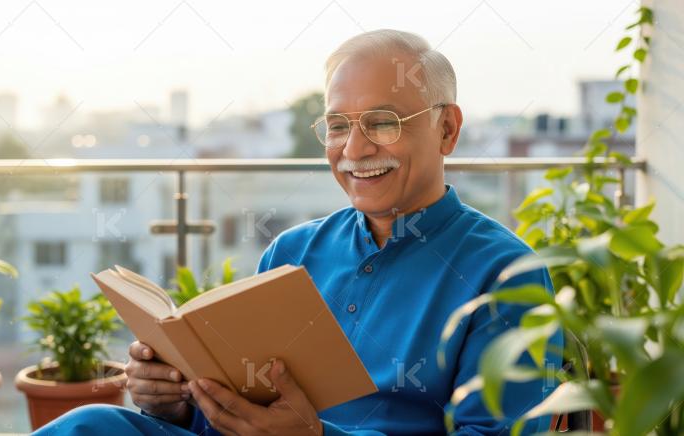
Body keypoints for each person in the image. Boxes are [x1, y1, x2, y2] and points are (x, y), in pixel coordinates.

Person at [35, 29, 562, 435]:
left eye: (382, 122)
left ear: (446, 129)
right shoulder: (293, 252)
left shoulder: (508, 276)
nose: (354, 151)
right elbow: (240, 415)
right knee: (91, 424)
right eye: (337, 126)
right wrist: (177, 402)